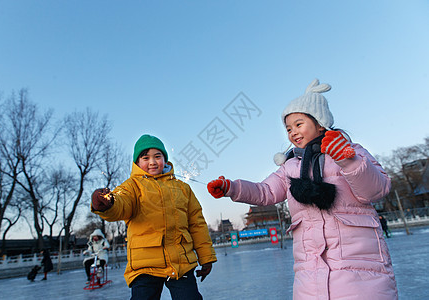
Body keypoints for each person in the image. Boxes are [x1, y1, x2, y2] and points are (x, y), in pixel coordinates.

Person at [207, 79, 398, 300]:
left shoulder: (352, 151)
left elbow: (377, 189)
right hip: (310, 275)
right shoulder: (291, 166)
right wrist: (232, 187)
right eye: (288, 128)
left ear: (320, 123)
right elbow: (265, 191)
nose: (292, 133)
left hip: (361, 269)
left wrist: (348, 160)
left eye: (299, 124)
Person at [91, 134, 217, 300]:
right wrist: (108, 204)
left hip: (181, 262)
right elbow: (121, 204)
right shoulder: (131, 187)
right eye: (146, 157)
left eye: (158, 156)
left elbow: (197, 224)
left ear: (165, 159)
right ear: (137, 162)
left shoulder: (183, 188)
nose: (152, 162)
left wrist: (206, 257)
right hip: (145, 266)